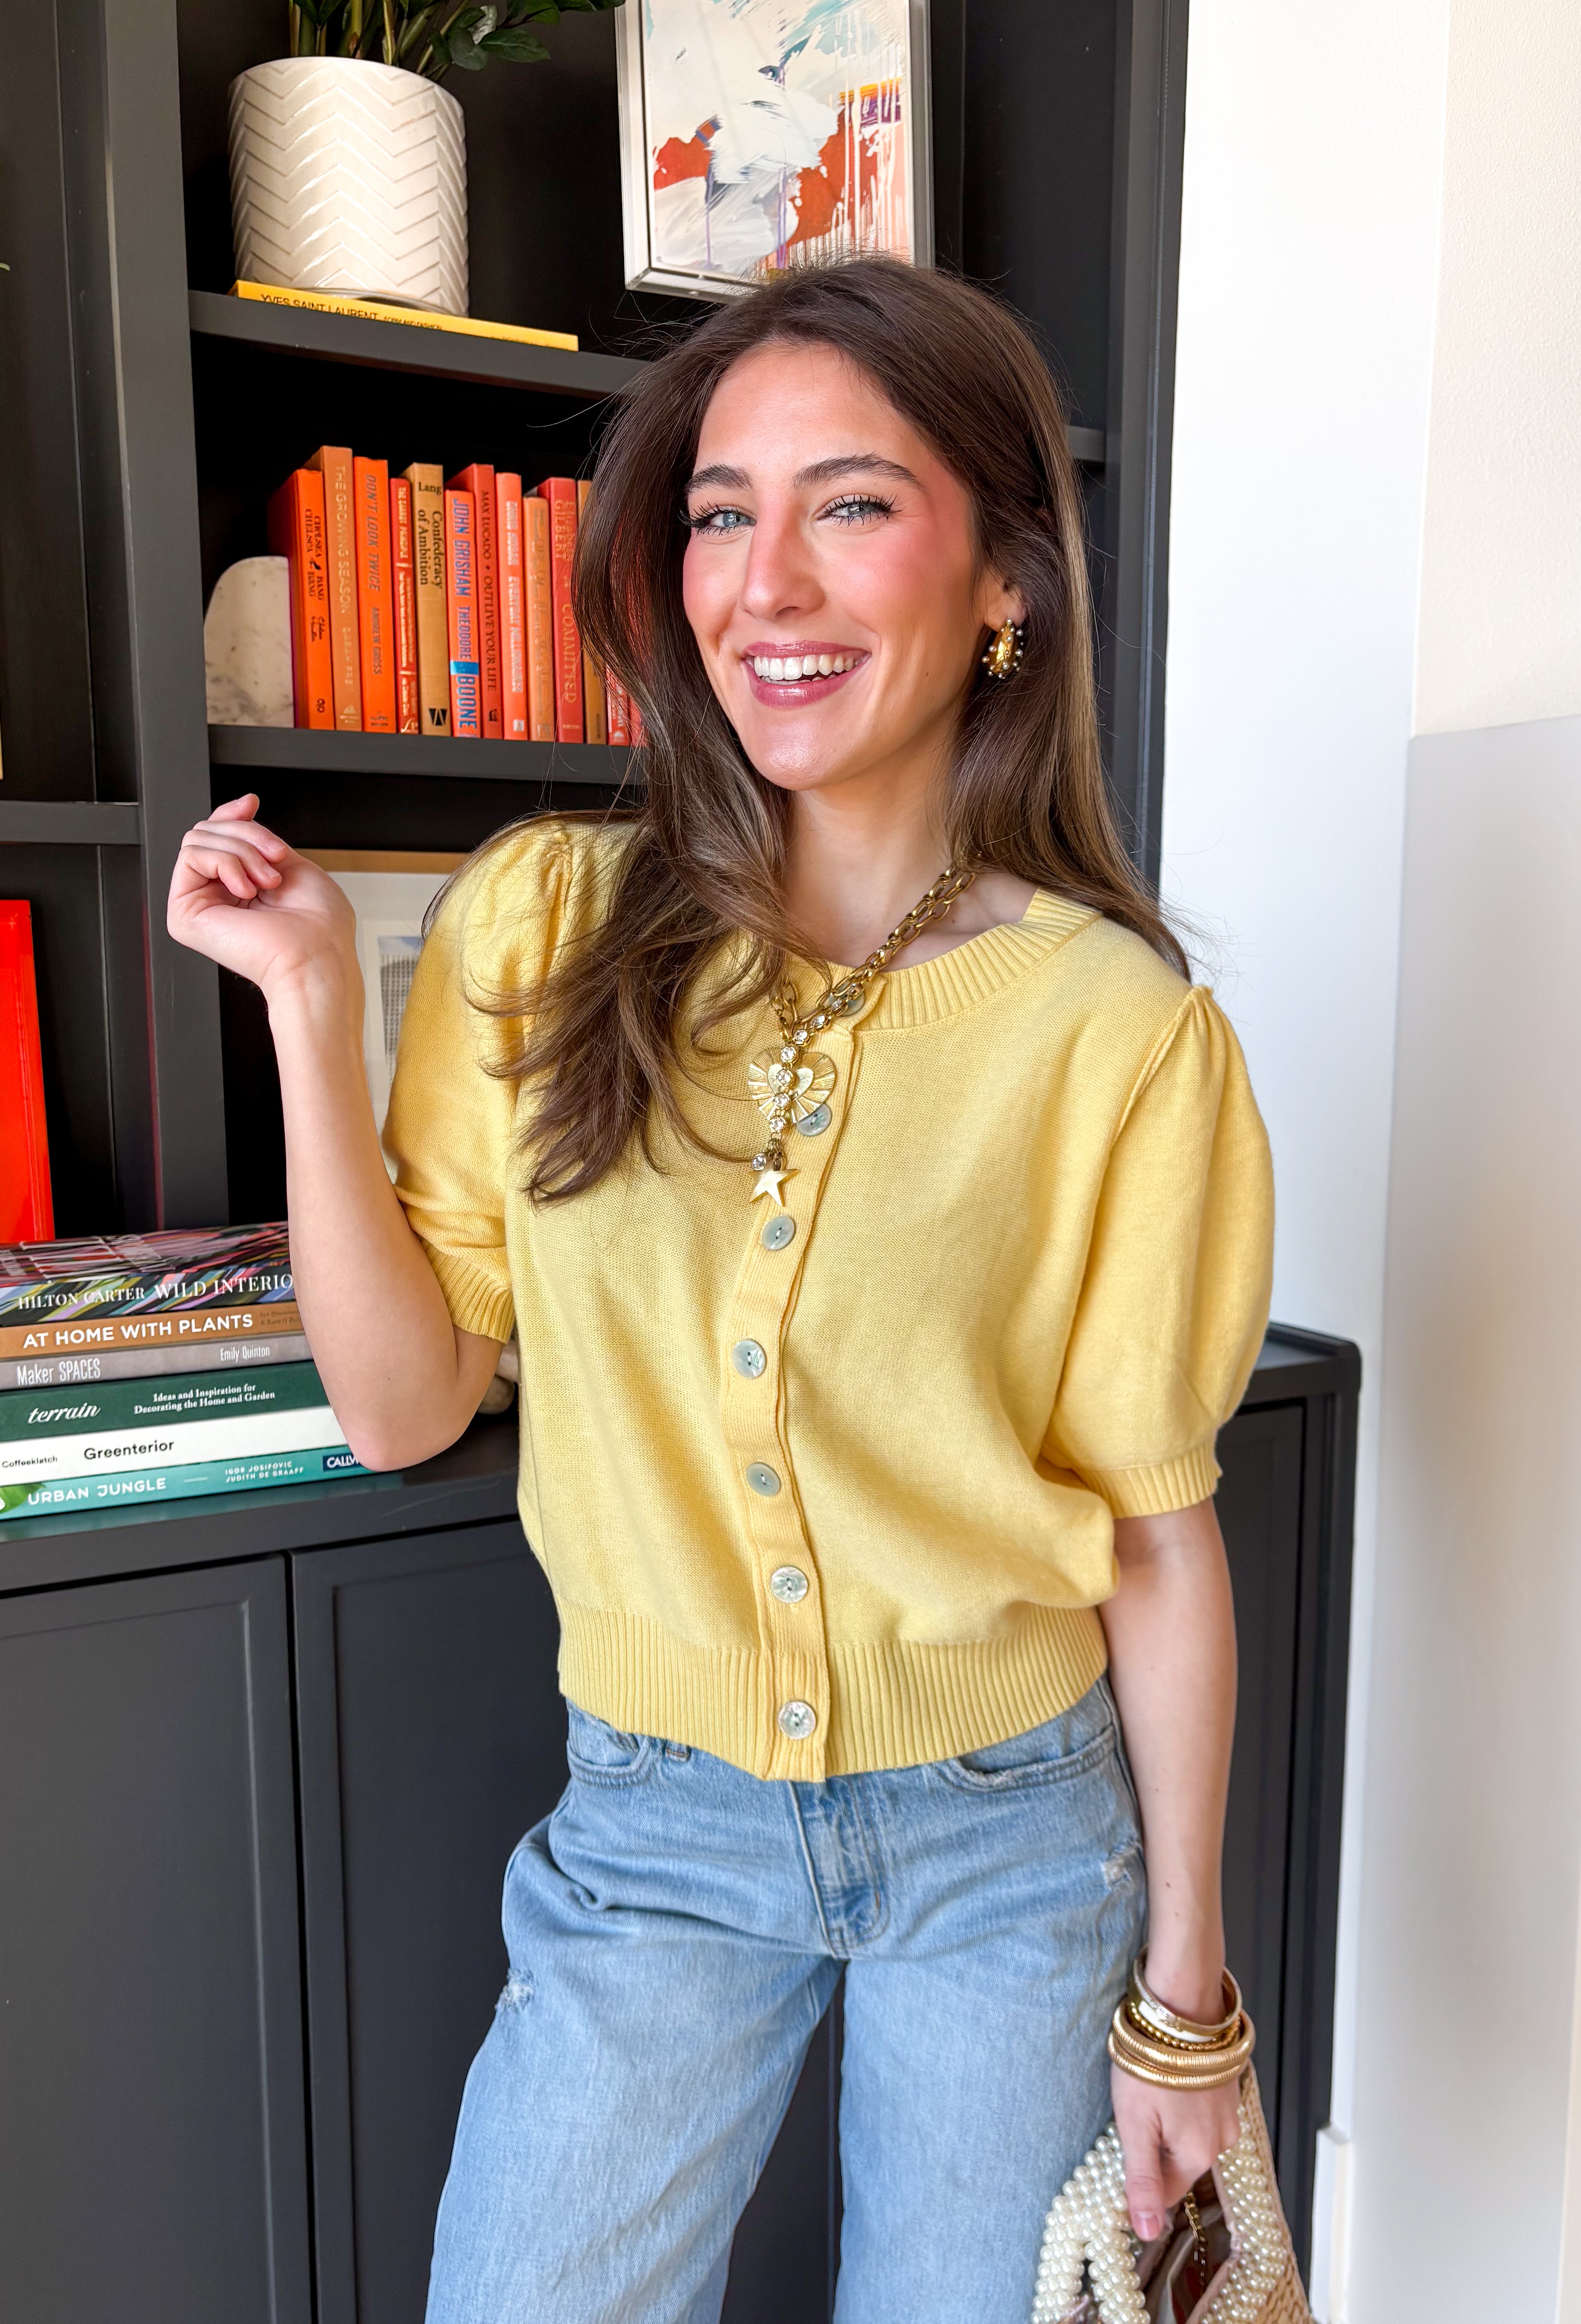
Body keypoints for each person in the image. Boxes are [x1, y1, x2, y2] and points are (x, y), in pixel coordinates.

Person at [168, 258, 1273, 2324]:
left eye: (849, 504)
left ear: (1004, 580)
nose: (765, 584)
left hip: (1008, 1841)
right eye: (717, 513)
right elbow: (406, 1406)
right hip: (652, 1824)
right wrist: (310, 1005)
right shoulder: (540, 922)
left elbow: (1152, 1528)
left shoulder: (1116, 1032)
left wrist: (1182, 2004)